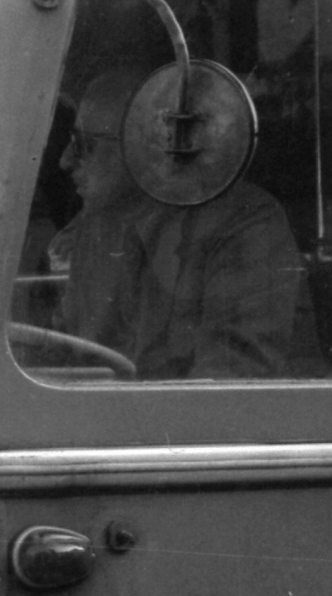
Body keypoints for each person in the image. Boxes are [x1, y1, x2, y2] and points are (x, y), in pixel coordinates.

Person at [49, 68, 305, 380]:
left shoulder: (245, 226)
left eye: (83, 144)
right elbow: (64, 354)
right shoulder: (96, 228)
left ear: (151, 145)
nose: (65, 160)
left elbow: (229, 384)